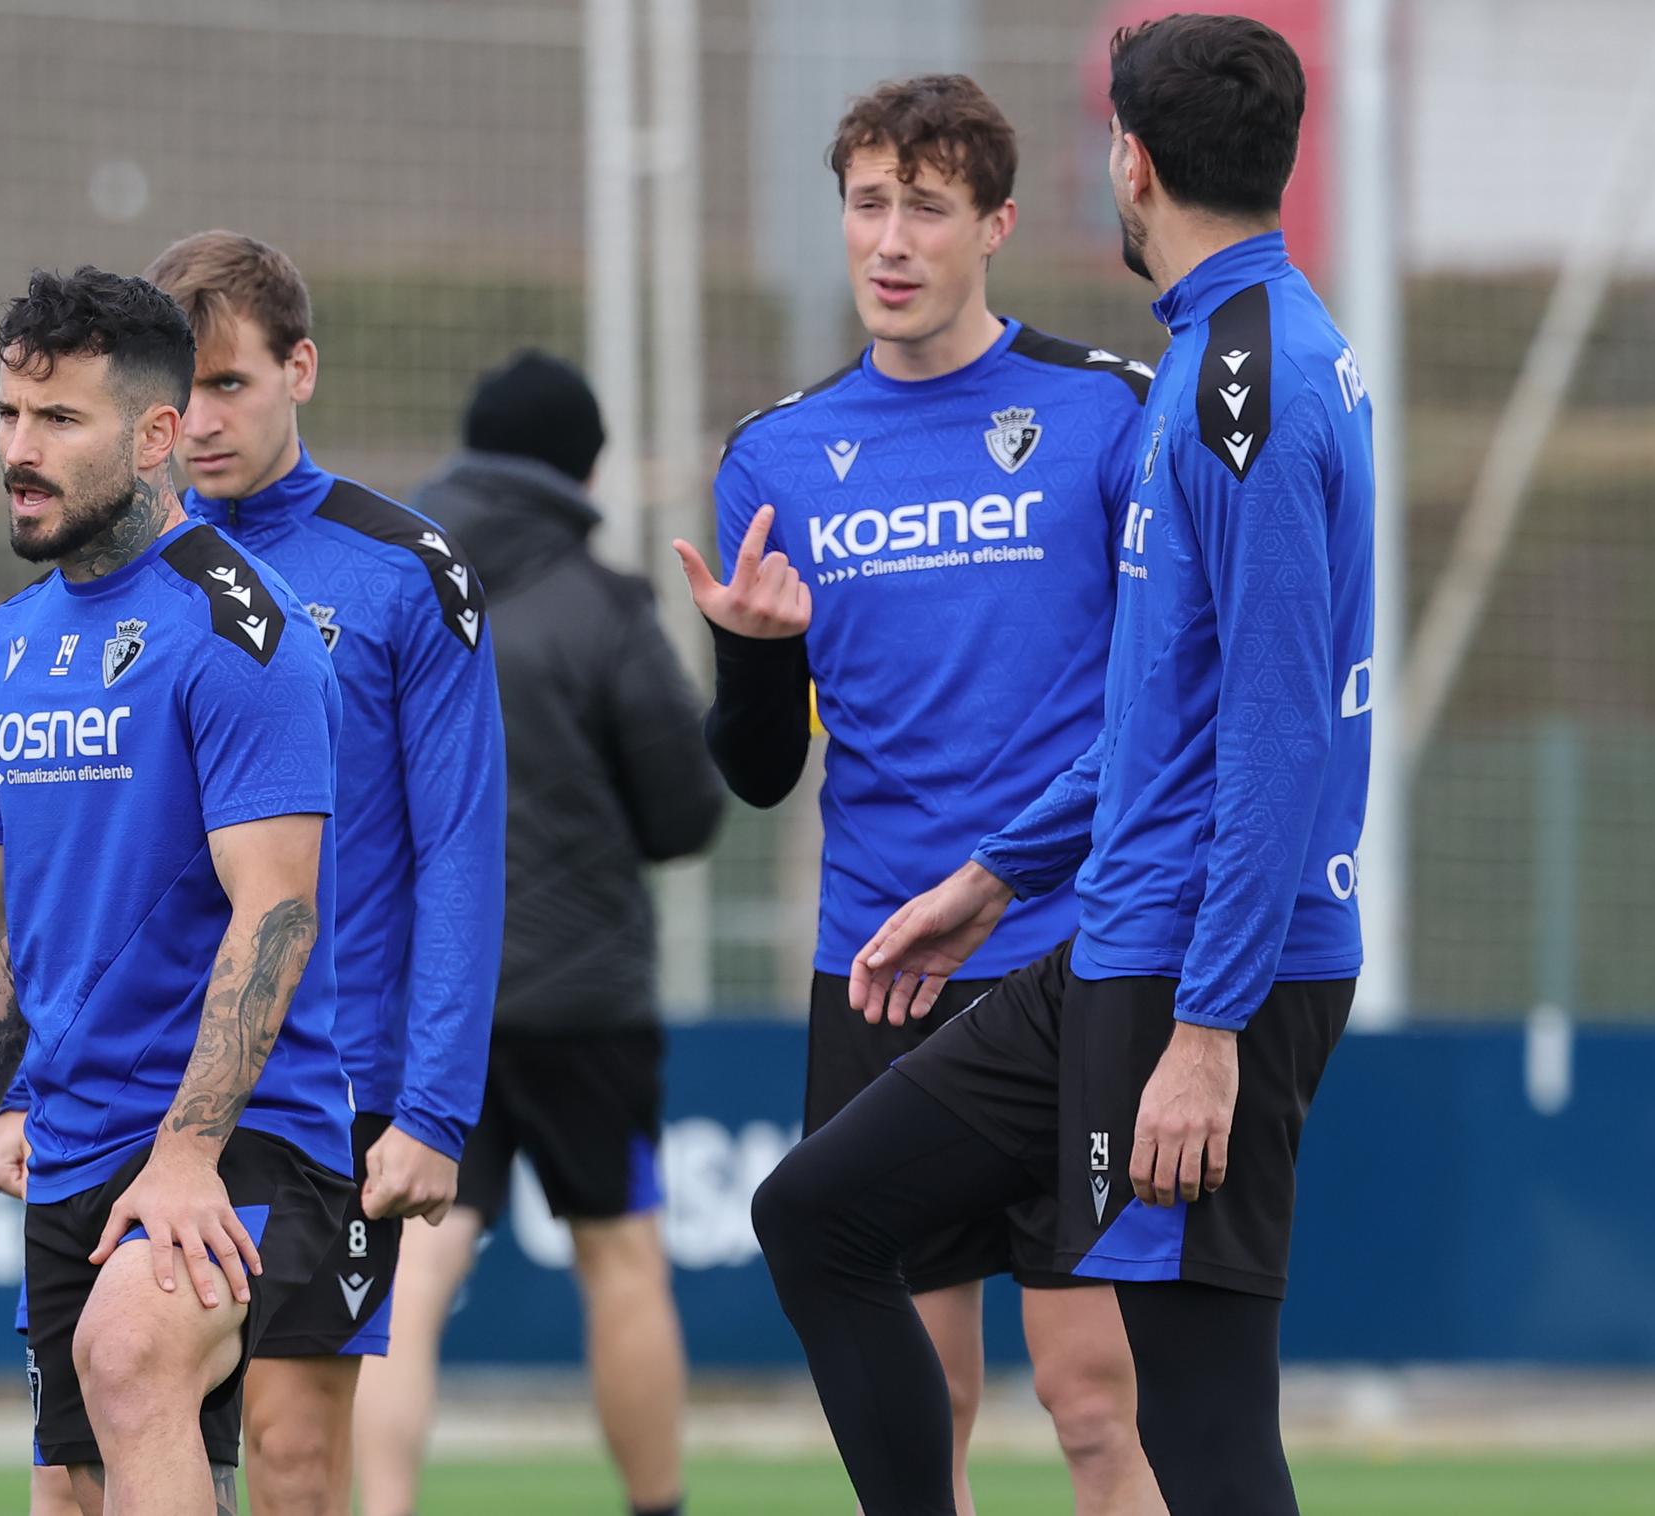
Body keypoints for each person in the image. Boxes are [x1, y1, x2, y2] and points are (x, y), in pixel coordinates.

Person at [751, 16, 1373, 1516]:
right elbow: (1169, 721)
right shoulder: (1215, 358)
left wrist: (1209, 1033)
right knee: (820, 1217)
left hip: (1191, 976)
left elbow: (1275, 739)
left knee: (1198, 1427)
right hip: (1111, 943)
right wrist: (992, 878)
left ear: (1129, 164)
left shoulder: (1248, 391)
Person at [672, 73, 1162, 1516]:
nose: (890, 240)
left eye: (927, 209)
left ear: (995, 226)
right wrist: (751, 662)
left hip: (1076, 965)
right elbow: (759, 775)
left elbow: (1165, 705)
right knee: (918, 1406)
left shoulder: (1104, 417)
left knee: (1092, 1402)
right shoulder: (776, 456)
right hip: (882, 977)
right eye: (868, 205)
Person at [0, 230, 508, 1516]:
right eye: (186, 393)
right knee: (98, 1450)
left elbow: (458, 844)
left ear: (302, 372)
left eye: (233, 385)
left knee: (290, 1458)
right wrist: (17, 1090)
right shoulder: (106, 585)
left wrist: (434, 1105)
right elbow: (53, 874)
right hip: (128, 1100)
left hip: (325, 1092)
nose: (203, 422)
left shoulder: (404, 571)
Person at [0, 265, 358, 1516]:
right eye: (8, 415)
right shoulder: (2, 647)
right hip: (72, 1137)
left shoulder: (241, 632)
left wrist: (189, 1150)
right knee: (73, 1493)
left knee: (128, 1357)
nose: (18, 450)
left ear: (158, 437)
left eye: (59, 422)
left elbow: (278, 908)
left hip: (248, 1134)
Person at [373, 350, 724, 1516]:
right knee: (619, 1258)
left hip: (430, 1003)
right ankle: (658, 1508)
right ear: (584, 468)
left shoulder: (391, 592)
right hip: (588, 1008)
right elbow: (685, 815)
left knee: (409, 1274)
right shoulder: (603, 604)